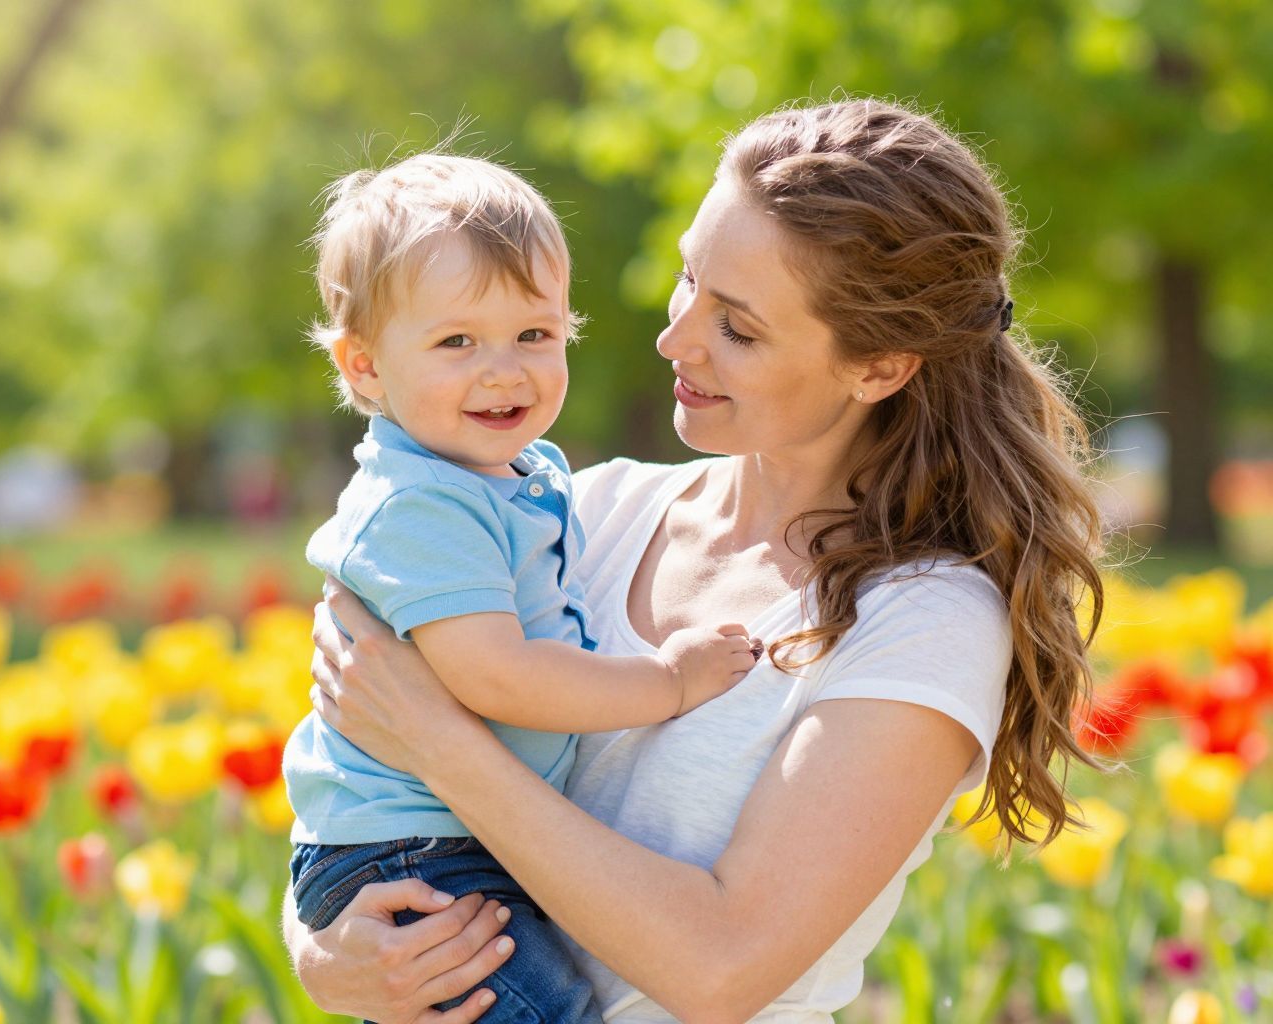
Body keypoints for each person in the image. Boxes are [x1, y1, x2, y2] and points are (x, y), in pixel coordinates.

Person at [282, 97, 1106, 1024]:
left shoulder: (923, 621)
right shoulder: (579, 510)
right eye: (688, 281)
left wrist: (438, 739)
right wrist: (327, 956)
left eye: (739, 328)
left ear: (879, 366)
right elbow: (359, 777)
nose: (675, 339)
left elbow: (722, 968)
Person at [285, 153, 757, 1023]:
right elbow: (496, 676)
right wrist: (669, 683)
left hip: (448, 838)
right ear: (365, 369)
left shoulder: (519, 475)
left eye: (533, 335)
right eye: (456, 341)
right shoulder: (423, 503)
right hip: (414, 853)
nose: (504, 370)